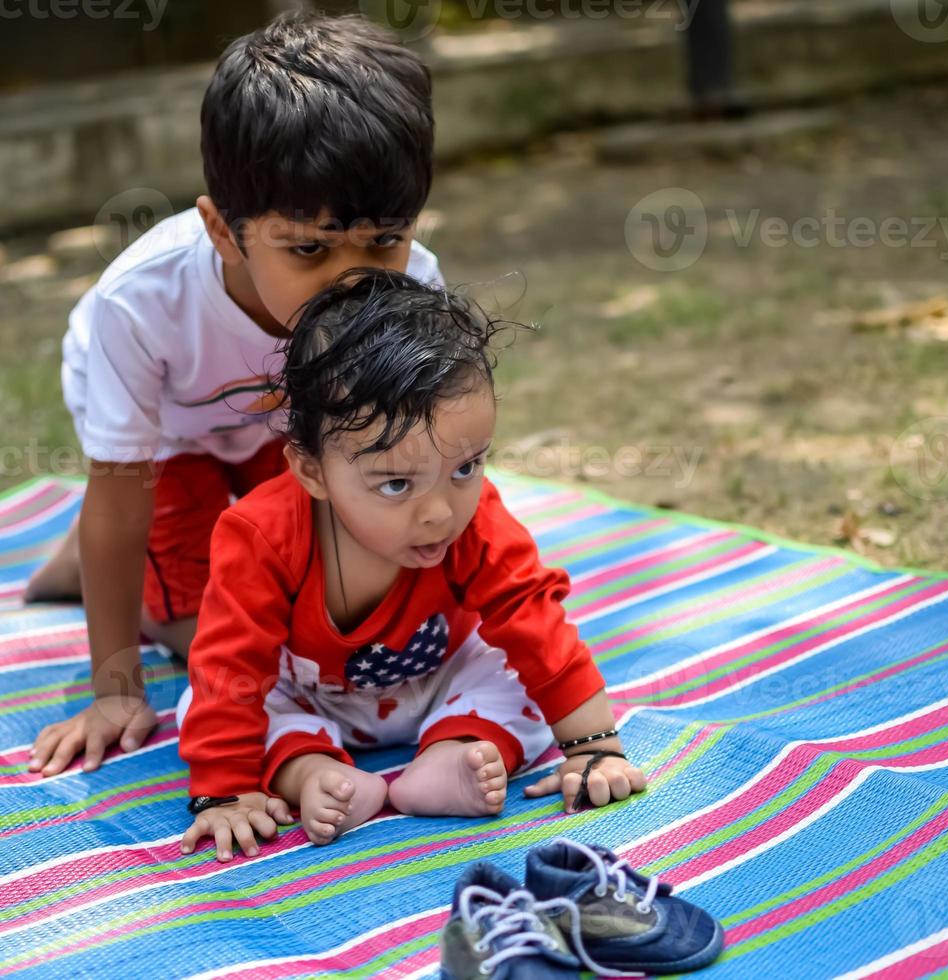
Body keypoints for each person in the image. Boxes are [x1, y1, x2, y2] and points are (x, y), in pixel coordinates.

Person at [27, 11, 443, 777]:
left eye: (384, 240)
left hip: (281, 429)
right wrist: (115, 686)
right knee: (217, 625)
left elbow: (405, 458)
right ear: (224, 233)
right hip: (171, 439)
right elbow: (122, 491)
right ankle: (102, 572)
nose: (354, 281)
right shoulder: (140, 305)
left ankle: (97, 563)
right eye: (310, 250)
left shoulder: (413, 283)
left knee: (313, 581)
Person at [178, 270, 647, 861]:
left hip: (441, 683)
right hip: (311, 696)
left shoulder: (475, 523)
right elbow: (231, 661)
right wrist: (224, 792)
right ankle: (313, 773)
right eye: (396, 483)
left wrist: (593, 748)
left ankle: (454, 756)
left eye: (466, 469)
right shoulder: (261, 534)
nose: (438, 514)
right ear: (312, 471)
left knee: (519, 678)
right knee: (207, 702)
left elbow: (532, 618)